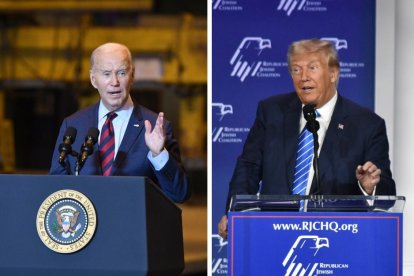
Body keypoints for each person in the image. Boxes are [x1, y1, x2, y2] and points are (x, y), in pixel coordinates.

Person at [218, 39, 396, 239]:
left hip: (337, 241)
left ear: (333, 73)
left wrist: (369, 187)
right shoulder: (271, 111)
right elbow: (248, 168)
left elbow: (387, 193)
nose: (303, 77)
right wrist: (235, 213)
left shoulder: (367, 125)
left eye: (312, 68)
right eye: (296, 70)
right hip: (273, 235)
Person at [49, 42, 190, 204]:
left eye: (121, 73)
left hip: (133, 226)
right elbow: (55, 188)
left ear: (132, 76)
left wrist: (159, 155)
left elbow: (180, 194)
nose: (114, 82)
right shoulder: (73, 126)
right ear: (93, 79)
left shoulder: (157, 128)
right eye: (106, 73)